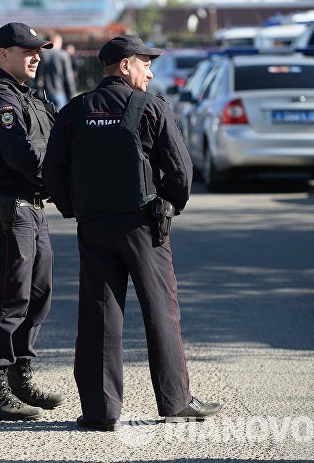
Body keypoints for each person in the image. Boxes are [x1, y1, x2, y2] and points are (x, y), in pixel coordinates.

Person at [42, 35, 221, 431]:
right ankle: (175, 402)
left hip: (93, 227)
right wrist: (170, 204)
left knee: (98, 315)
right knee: (161, 311)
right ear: (125, 65)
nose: (151, 70)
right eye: (145, 62)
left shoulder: (74, 110)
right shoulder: (151, 108)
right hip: (143, 226)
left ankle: (100, 411)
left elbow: (52, 171)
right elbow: (180, 171)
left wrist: (74, 208)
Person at [0, 22, 64, 421]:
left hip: (33, 208)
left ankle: (21, 375)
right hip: (9, 210)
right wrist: (62, 181)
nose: (36, 56)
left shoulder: (31, 98)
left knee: (38, 294)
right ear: (3, 54)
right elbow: (22, 156)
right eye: (28, 50)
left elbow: (58, 143)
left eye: (38, 50)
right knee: (8, 298)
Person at [35, 31, 76, 109]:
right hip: (60, 92)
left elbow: (37, 75)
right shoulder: (63, 55)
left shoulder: (42, 54)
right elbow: (68, 77)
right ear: (58, 41)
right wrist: (71, 94)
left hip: (44, 92)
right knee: (60, 119)